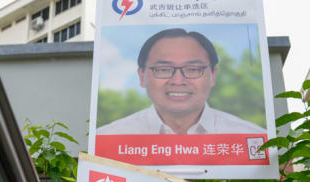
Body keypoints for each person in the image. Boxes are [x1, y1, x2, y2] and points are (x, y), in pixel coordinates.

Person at [97, 28, 265, 135]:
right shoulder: (108, 137)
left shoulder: (252, 137)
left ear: (213, 75)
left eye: (192, 69)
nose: (178, 80)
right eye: (163, 69)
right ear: (142, 76)